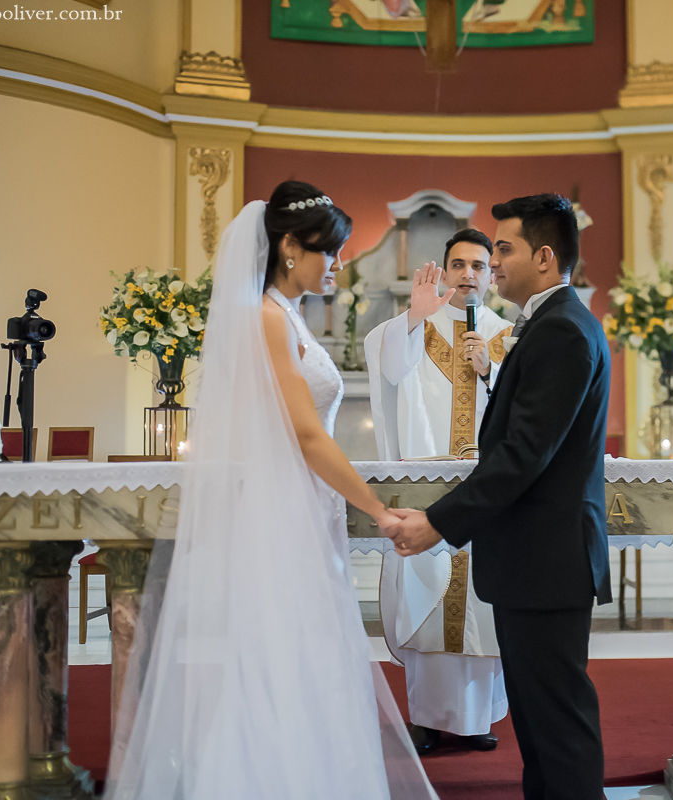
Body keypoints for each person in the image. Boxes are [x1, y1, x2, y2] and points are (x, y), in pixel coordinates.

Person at [103, 181, 436, 800]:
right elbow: (307, 437)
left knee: (303, 656)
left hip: (306, 510)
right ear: (289, 247)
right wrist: (378, 510)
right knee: (274, 654)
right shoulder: (261, 318)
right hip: (276, 516)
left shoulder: (289, 316)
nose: (336, 263)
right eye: (327, 251)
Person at [388, 193, 612, 800]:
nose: (494, 263)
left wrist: (436, 523)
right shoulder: (546, 323)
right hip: (535, 560)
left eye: (504, 249)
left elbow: (520, 457)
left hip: (548, 559)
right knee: (540, 724)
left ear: (543, 256)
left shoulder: (561, 329)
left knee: (557, 723)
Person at [365, 230, 512, 754]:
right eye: (458, 264)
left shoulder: (508, 333)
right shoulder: (416, 325)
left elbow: (526, 407)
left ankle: (478, 719)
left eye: (478, 264)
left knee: (482, 604)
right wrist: (412, 315)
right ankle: (426, 717)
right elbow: (386, 365)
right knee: (427, 595)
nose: (468, 274)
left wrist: (490, 368)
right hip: (426, 487)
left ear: (492, 273)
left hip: (488, 489)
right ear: (444, 270)